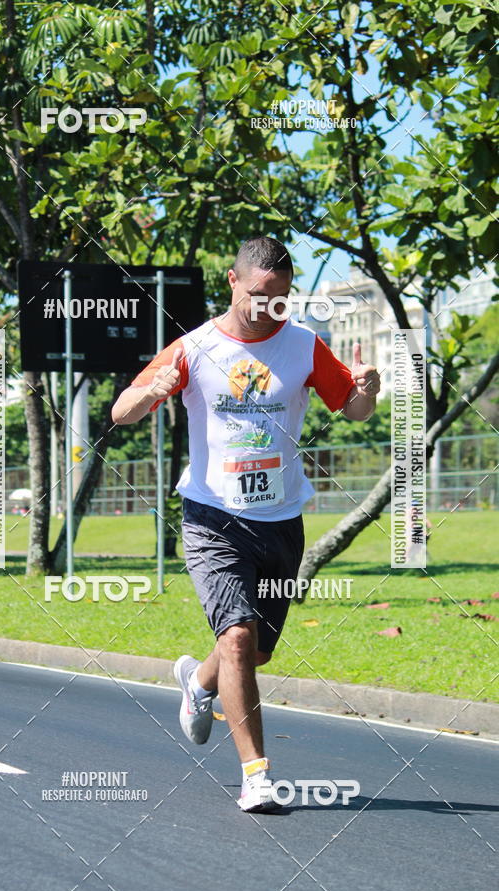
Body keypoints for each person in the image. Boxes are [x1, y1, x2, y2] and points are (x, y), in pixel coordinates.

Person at [111, 236, 380, 812]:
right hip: (212, 517)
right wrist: (151, 390)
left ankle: (199, 683)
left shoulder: (304, 345)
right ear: (232, 281)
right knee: (236, 636)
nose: (267, 308)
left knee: (253, 653)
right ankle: (256, 775)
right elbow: (121, 411)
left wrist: (367, 393)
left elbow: (354, 410)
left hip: (281, 521)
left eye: (280, 297)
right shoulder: (194, 347)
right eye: (258, 294)